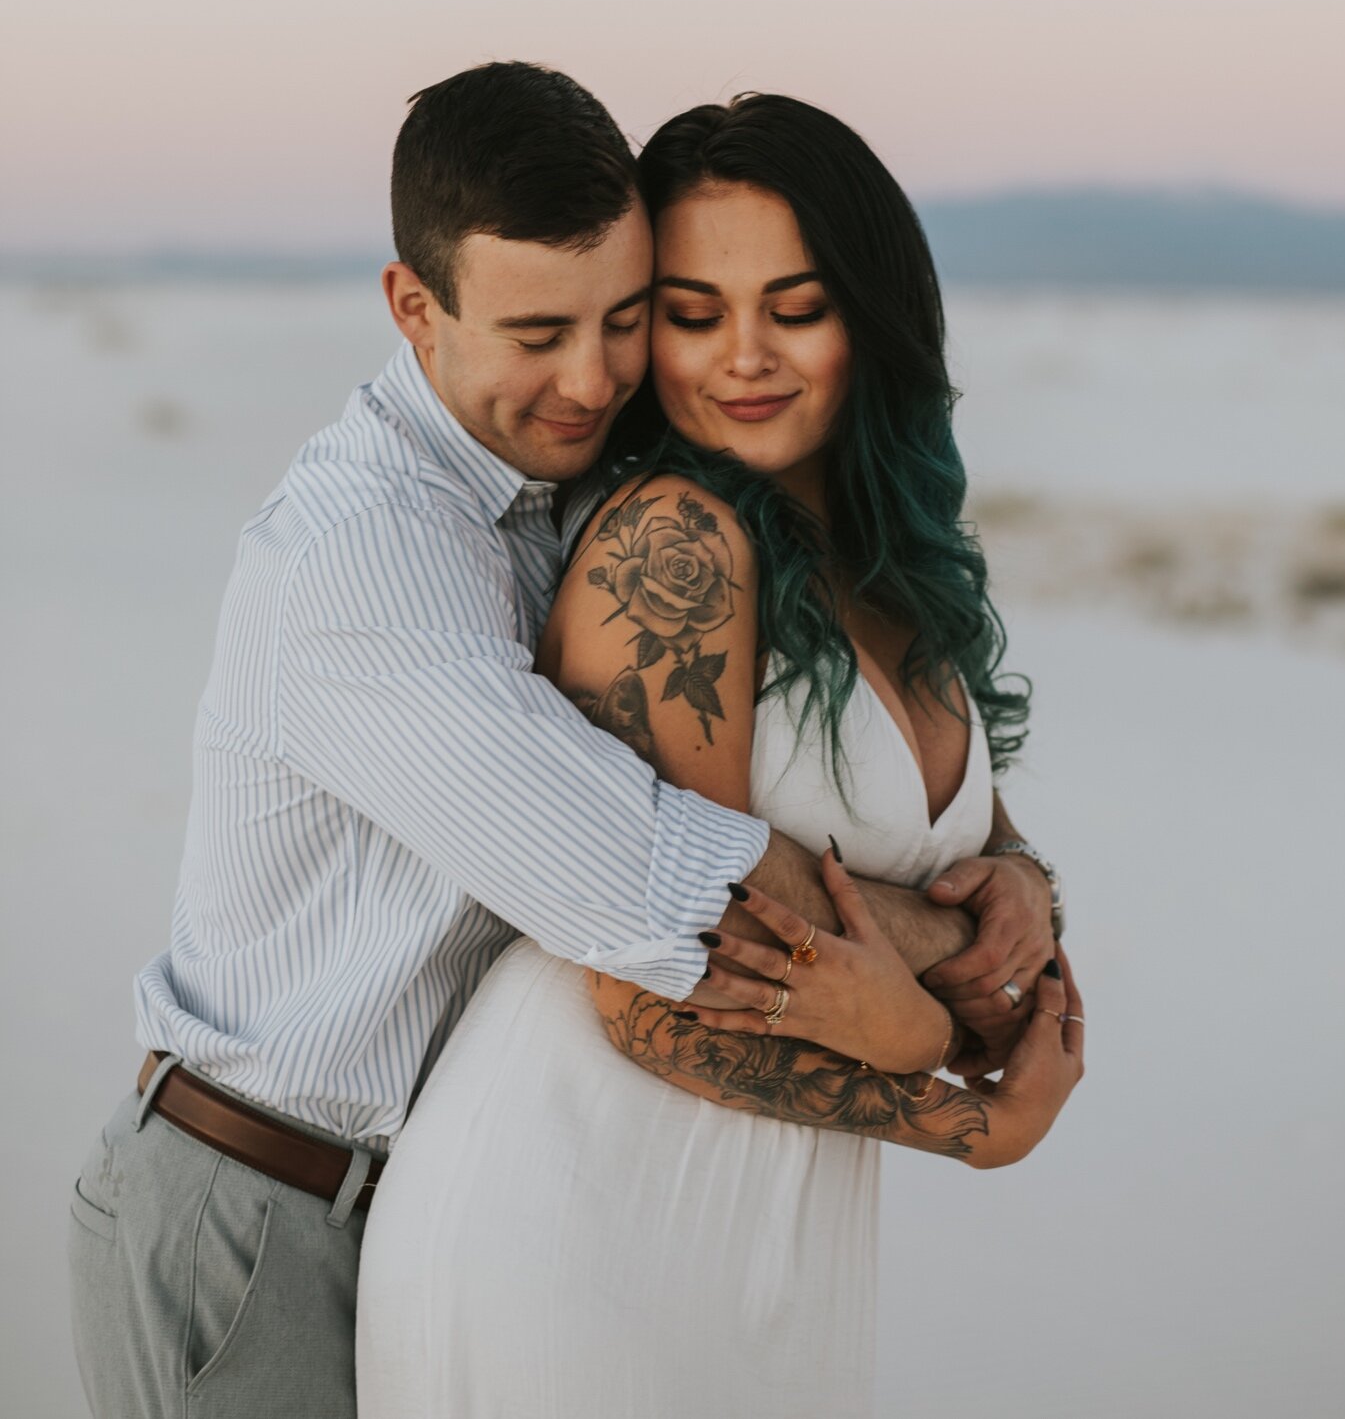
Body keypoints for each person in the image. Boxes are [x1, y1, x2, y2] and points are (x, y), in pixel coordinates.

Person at [67, 64, 1054, 1419]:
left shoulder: (561, 481)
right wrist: (961, 1024)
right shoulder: (370, 563)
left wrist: (1021, 876)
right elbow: (644, 883)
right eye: (541, 330)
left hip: (424, 1182)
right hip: (258, 1202)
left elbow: (830, 796)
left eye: (628, 317)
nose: (594, 377)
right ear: (414, 306)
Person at [356, 92, 1083, 1419]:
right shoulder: (670, 546)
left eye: (794, 305)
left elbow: (936, 855)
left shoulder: (882, 561)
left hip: (771, 1237)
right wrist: (967, 1111)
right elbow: (643, 988)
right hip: (577, 1220)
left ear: (873, 315)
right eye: (690, 313)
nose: (741, 355)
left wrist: (1026, 886)